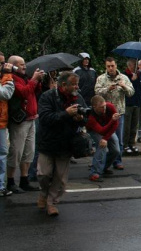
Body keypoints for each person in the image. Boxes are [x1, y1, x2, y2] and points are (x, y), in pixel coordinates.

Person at [36, 71, 87, 216]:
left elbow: (85, 118)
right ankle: (44, 193)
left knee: (61, 178)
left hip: (66, 143)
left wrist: (80, 118)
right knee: (43, 174)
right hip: (48, 142)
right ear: (64, 85)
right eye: (74, 84)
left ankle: (51, 203)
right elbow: (45, 118)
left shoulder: (78, 98)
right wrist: (66, 113)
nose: (77, 87)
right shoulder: (48, 96)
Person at [6, 55, 45, 194]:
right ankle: (10, 181)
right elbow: (23, 92)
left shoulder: (25, 77)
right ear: (14, 66)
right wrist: (34, 79)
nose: (24, 67)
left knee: (29, 152)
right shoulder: (11, 79)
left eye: (24, 64)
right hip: (20, 121)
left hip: (31, 119)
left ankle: (24, 179)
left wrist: (38, 81)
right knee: (16, 151)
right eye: (21, 64)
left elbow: (34, 91)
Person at [94, 57, 134, 170]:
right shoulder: (101, 78)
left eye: (112, 66)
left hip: (118, 113)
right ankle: (101, 161)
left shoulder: (123, 78)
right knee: (104, 139)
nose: (110, 68)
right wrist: (107, 89)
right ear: (105, 67)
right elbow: (96, 92)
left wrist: (124, 86)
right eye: (108, 66)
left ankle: (118, 160)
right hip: (104, 115)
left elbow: (131, 92)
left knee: (119, 140)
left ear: (116, 65)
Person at [85, 95, 121, 182]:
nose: (104, 109)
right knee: (102, 147)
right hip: (95, 130)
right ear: (94, 107)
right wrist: (104, 139)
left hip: (108, 128)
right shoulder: (90, 117)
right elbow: (101, 131)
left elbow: (116, 124)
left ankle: (103, 167)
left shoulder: (110, 107)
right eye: (101, 107)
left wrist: (106, 138)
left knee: (116, 150)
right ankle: (95, 172)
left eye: (104, 106)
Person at [0, 56, 15, 197]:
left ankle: (1, 186)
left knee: (2, 154)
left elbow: (7, 93)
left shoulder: (3, 78)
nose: (4, 65)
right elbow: (4, 93)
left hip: (2, 122)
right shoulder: (6, 77)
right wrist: (8, 74)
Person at [122, 59, 141, 154]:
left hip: (136, 103)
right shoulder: (124, 75)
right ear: (129, 66)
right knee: (127, 125)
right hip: (128, 103)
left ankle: (132, 143)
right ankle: (125, 144)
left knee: (134, 125)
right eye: (134, 65)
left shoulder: (138, 75)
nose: (135, 66)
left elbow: (139, 89)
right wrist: (132, 80)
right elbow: (126, 88)